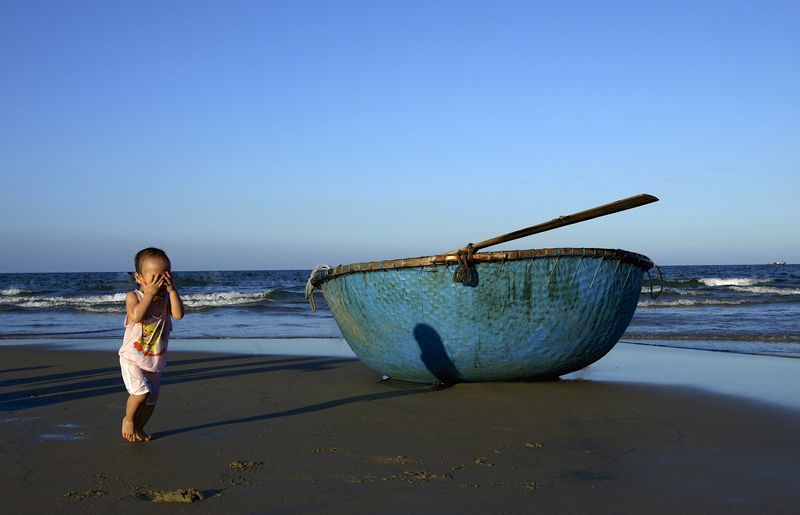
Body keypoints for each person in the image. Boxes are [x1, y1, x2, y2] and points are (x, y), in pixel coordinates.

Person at [119, 247, 184, 442]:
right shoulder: (134, 297)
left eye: (165, 276)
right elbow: (135, 316)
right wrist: (148, 294)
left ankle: (139, 428)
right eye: (155, 278)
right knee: (140, 393)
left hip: (155, 360)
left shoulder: (166, 299)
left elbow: (179, 314)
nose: (161, 283)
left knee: (151, 400)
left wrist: (172, 291)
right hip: (132, 358)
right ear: (139, 278)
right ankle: (129, 419)